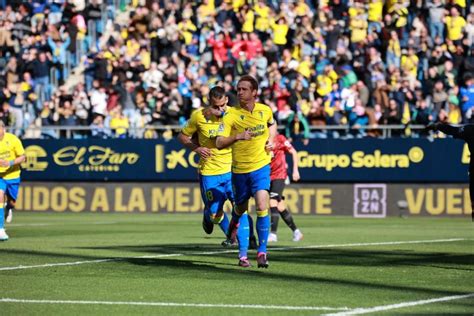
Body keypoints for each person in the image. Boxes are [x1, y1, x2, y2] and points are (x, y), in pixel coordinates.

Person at [216, 75, 277, 268]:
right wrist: (238, 136)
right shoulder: (231, 115)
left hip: (260, 167)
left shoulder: (265, 110)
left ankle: (262, 252)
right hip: (240, 171)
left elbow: (272, 124)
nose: (239, 92)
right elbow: (218, 142)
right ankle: (234, 224)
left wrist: (271, 140)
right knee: (241, 209)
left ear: (254, 92)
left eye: (243, 89)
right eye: (238, 89)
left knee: (261, 205)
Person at [177, 86, 233, 244]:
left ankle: (234, 238)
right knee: (214, 212)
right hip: (209, 170)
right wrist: (196, 148)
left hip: (231, 169)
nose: (220, 109)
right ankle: (210, 215)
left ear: (227, 100)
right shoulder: (199, 116)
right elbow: (182, 136)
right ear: (209, 102)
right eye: (216, 106)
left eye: (222, 105)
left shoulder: (234, 114)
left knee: (240, 207)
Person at [426, 122, 474, 220]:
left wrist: (437, 126)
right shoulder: (470, 130)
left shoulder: (470, 129)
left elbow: (452, 130)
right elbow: (453, 130)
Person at [267, 132, 304, 242]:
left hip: (280, 175)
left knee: (272, 201)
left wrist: (295, 170)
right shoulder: (262, 139)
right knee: (280, 207)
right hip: (268, 176)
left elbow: (293, 152)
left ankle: (273, 234)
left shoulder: (280, 138)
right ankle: (296, 232)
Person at [0, 120, 26, 241]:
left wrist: (9, 163)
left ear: (3, 129)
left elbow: (23, 157)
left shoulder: (13, 139)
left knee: (12, 203)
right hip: (1, 176)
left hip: (13, 175)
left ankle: (9, 208)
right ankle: (1, 229)